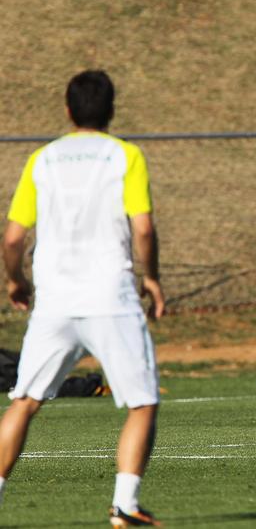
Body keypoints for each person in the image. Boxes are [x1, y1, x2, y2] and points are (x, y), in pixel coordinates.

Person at [0, 70, 165, 527]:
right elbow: (144, 228)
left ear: (68, 110)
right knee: (142, 402)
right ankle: (125, 505)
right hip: (109, 295)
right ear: (111, 110)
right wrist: (151, 277)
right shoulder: (124, 156)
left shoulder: (42, 160)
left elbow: (13, 239)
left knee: (25, 401)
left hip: (53, 299)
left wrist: (16, 281)